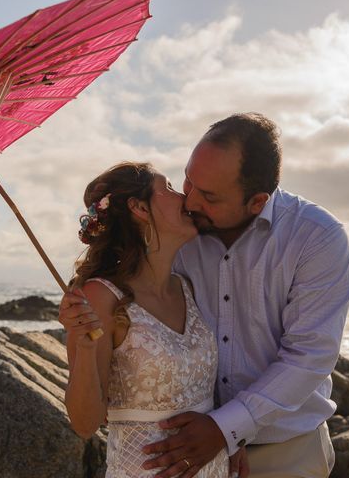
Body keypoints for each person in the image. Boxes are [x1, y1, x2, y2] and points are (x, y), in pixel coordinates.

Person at [137, 113, 349, 478]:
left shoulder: (317, 238)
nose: (189, 201)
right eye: (188, 181)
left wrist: (225, 429)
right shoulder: (177, 235)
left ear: (256, 202)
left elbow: (308, 357)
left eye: (208, 196)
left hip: (288, 453)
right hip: (189, 450)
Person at [59, 162, 246, 477]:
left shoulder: (187, 287)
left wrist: (231, 438)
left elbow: (205, 386)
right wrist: (84, 346)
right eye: (169, 188)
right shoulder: (101, 297)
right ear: (139, 208)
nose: (183, 197)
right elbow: (85, 424)